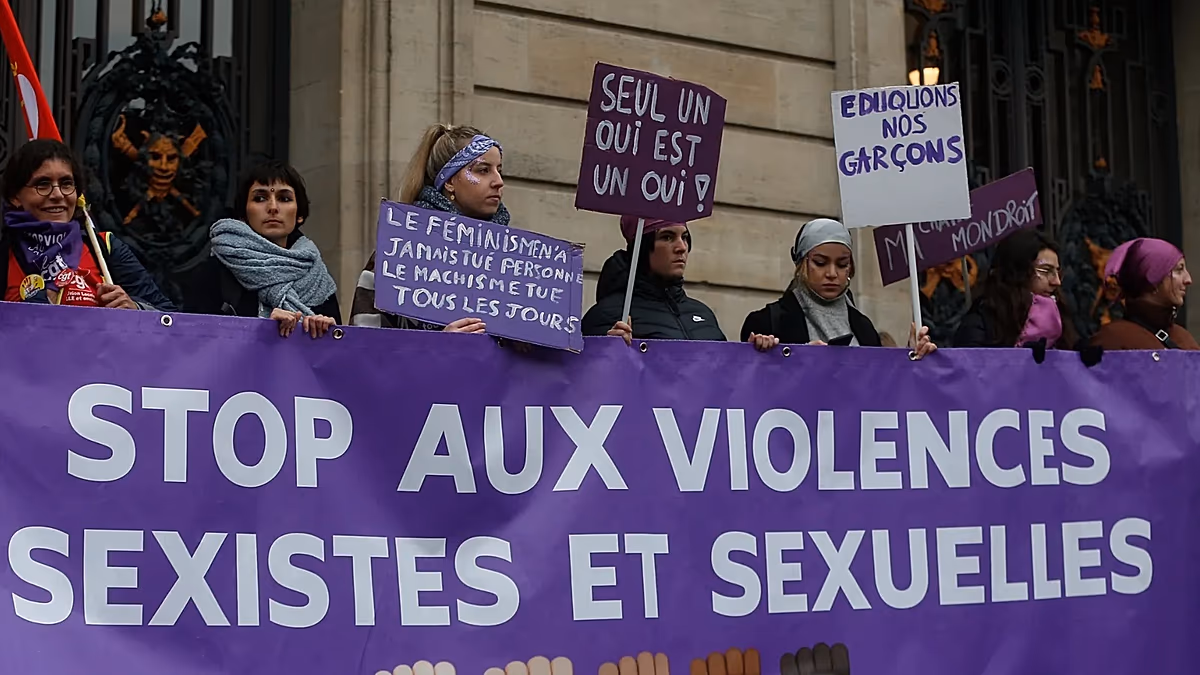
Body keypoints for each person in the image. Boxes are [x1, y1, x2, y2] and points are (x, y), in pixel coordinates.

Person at [351, 124, 507, 334]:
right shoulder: (397, 251)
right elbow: (365, 341)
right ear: (449, 181)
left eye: (499, 171)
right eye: (483, 170)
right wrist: (439, 345)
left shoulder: (512, 259)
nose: (498, 182)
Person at [1, 139, 174, 310]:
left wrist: (135, 308)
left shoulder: (105, 246)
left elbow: (168, 316)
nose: (58, 194)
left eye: (66, 183)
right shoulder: (5, 254)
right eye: (43, 184)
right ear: (15, 196)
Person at [183, 160, 340, 338]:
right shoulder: (215, 273)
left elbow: (337, 351)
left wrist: (324, 335)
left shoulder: (317, 278)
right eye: (260, 198)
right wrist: (261, 327)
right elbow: (193, 342)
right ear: (244, 213)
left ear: (300, 215)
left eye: (284, 198)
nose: (273, 207)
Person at [741, 218, 936, 357]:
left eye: (842, 264)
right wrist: (778, 355)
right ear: (801, 264)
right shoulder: (766, 323)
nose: (832, 273)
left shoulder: (865, 328)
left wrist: (911, 357)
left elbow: (880, 388)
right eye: (820, 263)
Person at [580, 216, 725, 343]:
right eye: (667, 237)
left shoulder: (704, 314)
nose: (682, 247)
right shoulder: (608, 317)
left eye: (685, 237)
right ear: (642, 247)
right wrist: (610, 350)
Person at [954, 229, 1079, 349]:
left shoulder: (1061, 317)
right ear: (1018, 272)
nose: (1056, 282)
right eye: (1046, 271)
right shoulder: (980, 323)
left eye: (1058, 272)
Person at [1089, 237, 1197, 350]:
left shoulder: (1183, 338)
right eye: (1179, 270)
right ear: (1152, 278)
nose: (1188, 279)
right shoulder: (1112, 339)